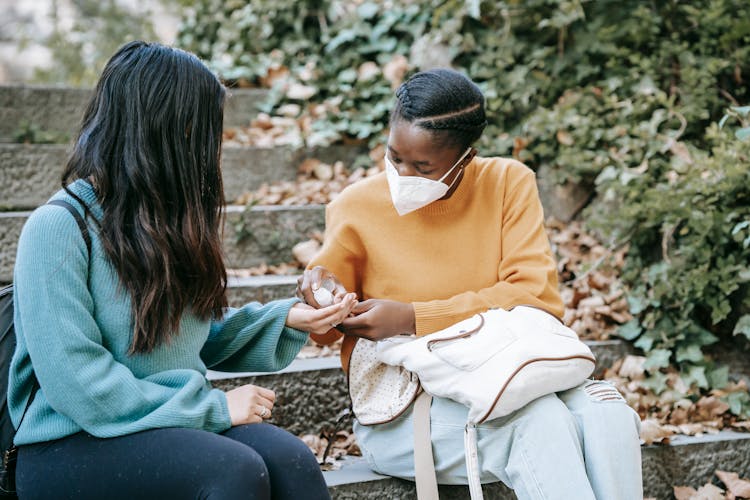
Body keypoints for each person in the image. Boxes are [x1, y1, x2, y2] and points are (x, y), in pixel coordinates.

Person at [9, 41, 357, 500]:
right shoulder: (57, 228)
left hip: (162, 422)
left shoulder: (163, 224)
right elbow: (80, 384)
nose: (213, 148)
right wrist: (212, 407)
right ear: (161, 131)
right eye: (204, 131)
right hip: (69, 442)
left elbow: (188, 337)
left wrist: (286, 319)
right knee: (233, 471)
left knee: (292, 460)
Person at [297, 68, 643, 499]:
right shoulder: (355, 206)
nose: (404, 175)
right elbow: (325, 329)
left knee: (606, 412)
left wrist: (413, 317)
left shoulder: (506, 183)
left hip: (507, 376)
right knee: (540, 421)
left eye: (424, 166)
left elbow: (534, 295)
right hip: (405, 409)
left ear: (466, 156)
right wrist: (320, 298)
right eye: (395, 157)